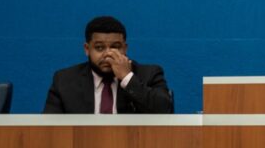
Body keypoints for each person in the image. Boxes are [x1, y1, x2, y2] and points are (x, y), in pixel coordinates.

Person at [43, 16, 173, 114]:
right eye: (99, 48)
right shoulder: (65, 80)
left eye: (115, 47)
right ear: (87, 49)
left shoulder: (149, 74)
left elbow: (165, 111)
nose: (108, 54)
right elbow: (49, 127)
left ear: (125, 49)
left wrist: (127, 78)